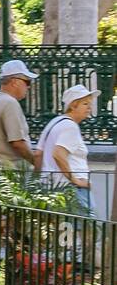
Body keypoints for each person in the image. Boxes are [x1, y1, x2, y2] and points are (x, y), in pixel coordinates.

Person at [37, 84, 97, 213]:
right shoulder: (70, 127)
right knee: (85, 229)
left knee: (65, 230)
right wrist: (74, 179)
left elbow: (38, 153)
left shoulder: (54, 122)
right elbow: (58, 154)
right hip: (72, 190)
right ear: (73, 105)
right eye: (85, 104)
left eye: (90, 104)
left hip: (53, 187)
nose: (89, 108)